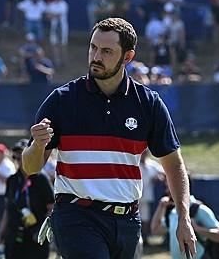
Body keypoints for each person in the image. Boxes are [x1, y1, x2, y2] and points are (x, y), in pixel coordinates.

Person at [22, 17, 196, 259]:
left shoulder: (148, 104)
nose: (96, 57)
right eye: (93, 47)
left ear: (128, 57)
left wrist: (183, 218)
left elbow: (174, 165)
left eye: (106, 51)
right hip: (76, 217)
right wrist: (38, 146)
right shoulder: (61, 100)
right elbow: (30, 167)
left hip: (127, 223)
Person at [0, 139, 54, 259]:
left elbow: (52, 207)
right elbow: (7, 210)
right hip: (14, 236)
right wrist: (1, 234)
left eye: (23, 156)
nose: (20, 161)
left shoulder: (41, 179)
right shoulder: (12, 180)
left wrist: (42, 230)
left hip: (35, 237)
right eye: (16, 158)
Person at [150, 180, 219, 259]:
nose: (166, 191)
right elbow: (156, 230)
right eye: (166, 187)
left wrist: (198, 229)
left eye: (169, 187)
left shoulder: (199, 209)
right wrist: (161, 206)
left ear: (182, 187)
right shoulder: (173, 212)